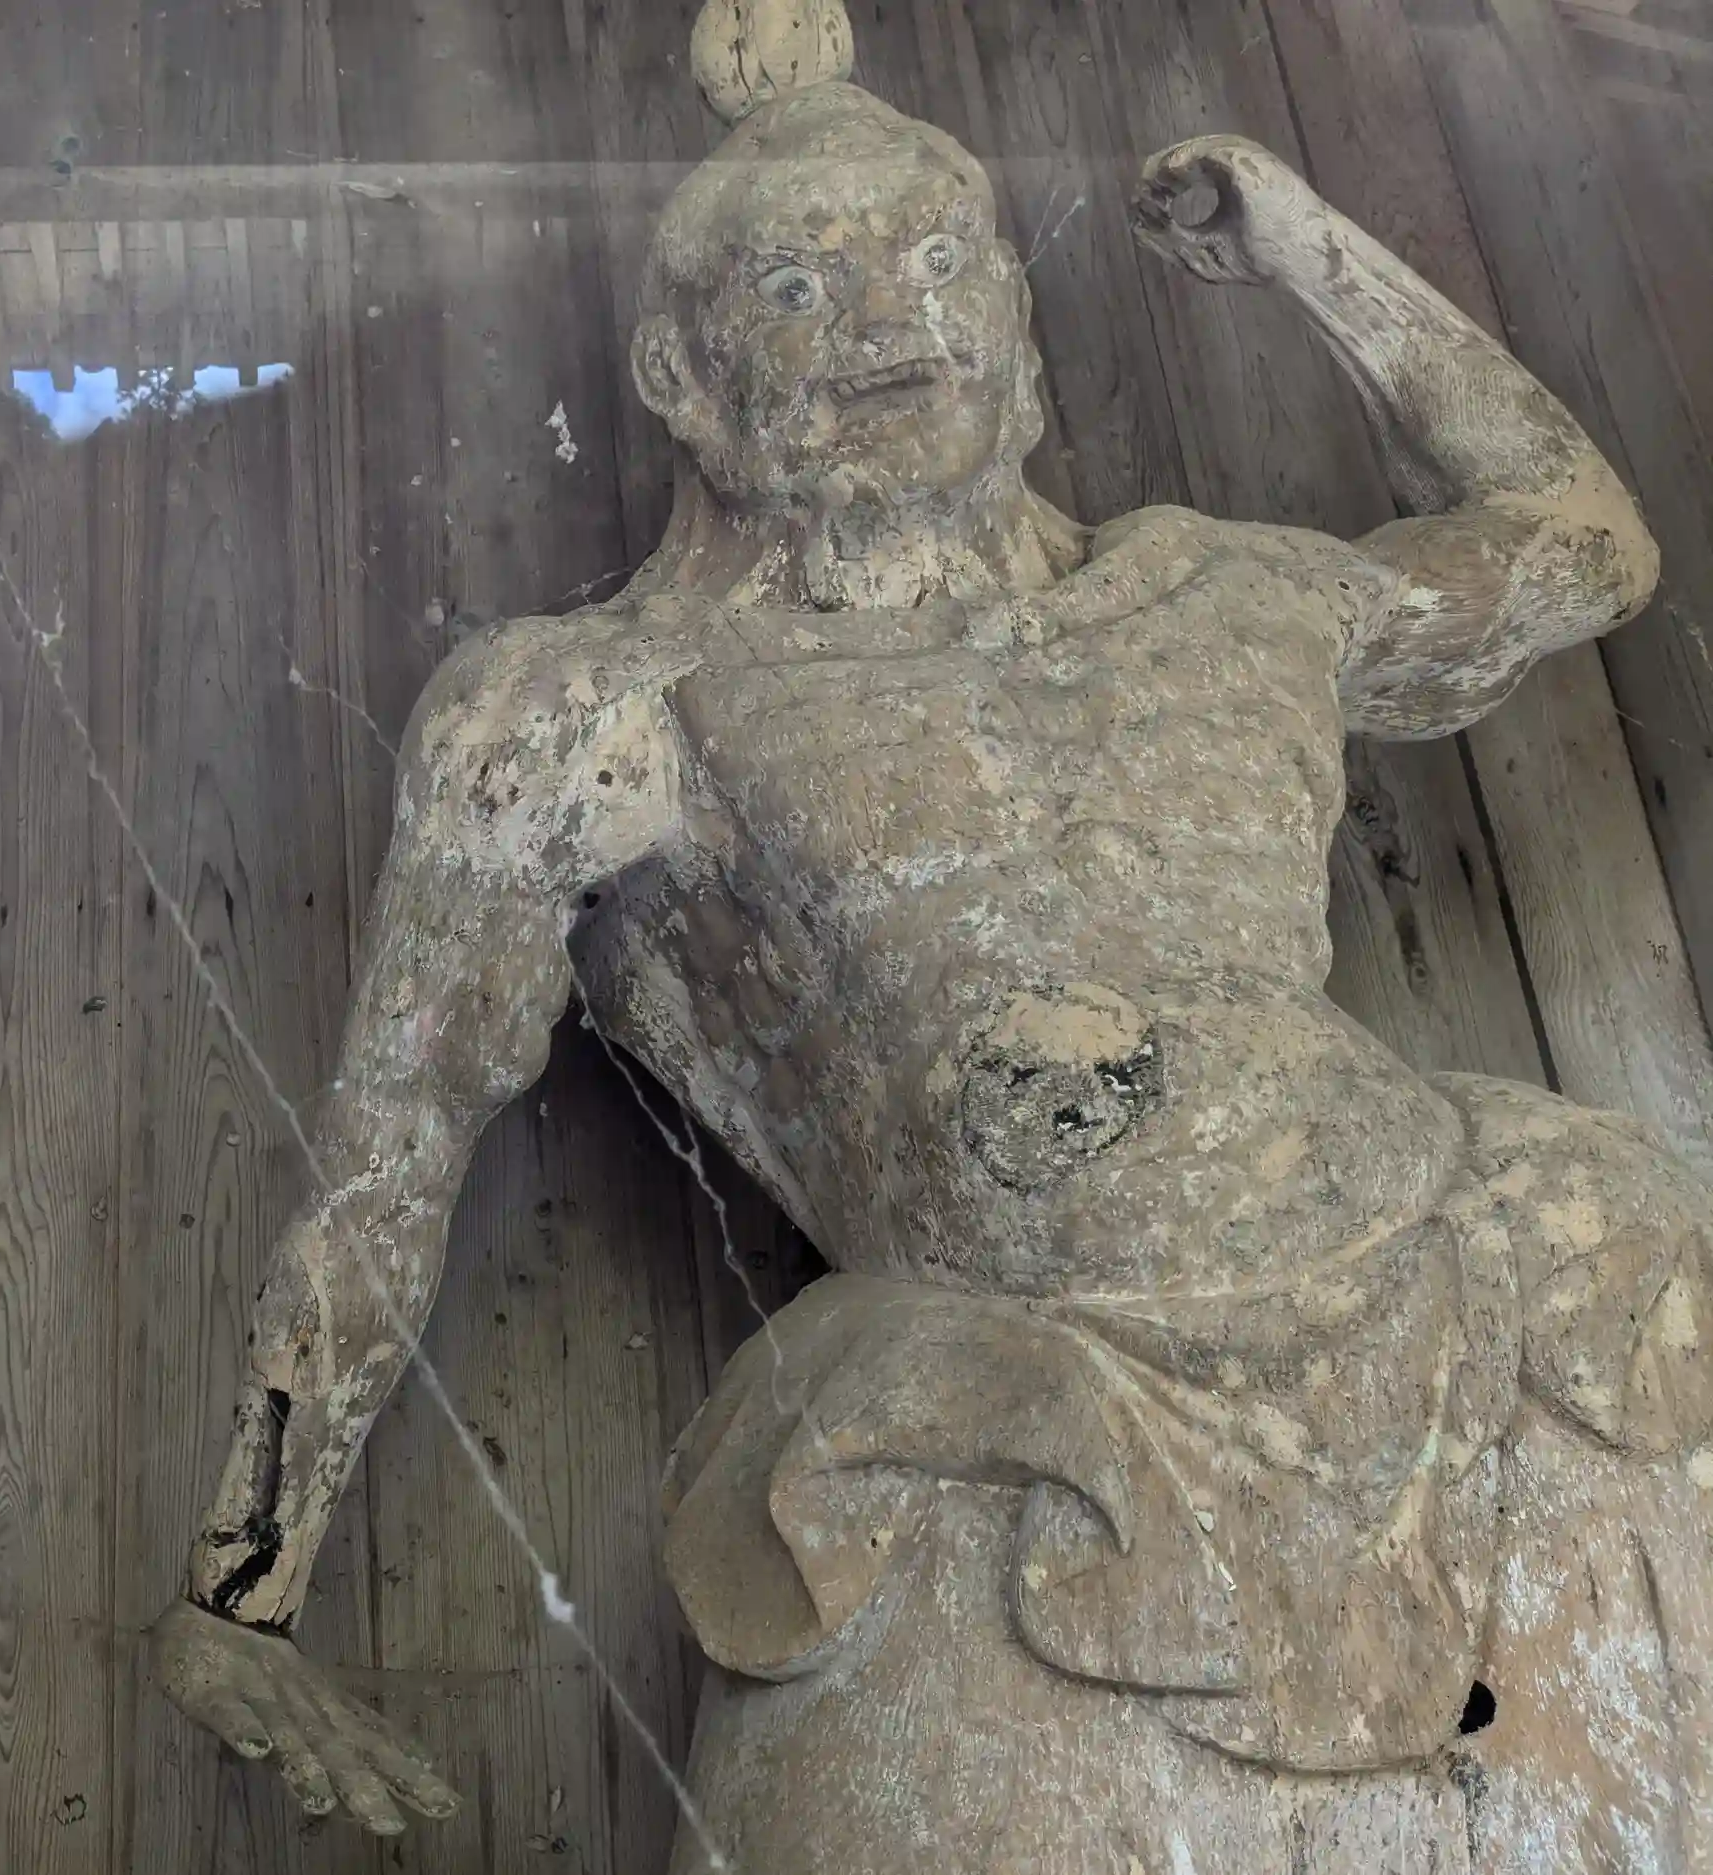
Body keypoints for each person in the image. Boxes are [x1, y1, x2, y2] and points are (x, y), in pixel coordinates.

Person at [154, 4, 1707, 1865]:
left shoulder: (1223, 594)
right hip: (1018, 1406)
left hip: (1492, 1277)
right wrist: (238, 1592)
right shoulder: (600, 710)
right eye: (800, 287)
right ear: (681, 374)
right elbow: (393, 1142)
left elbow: (1583, 542)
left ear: (1021, 333)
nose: (890, 320)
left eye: (942, 263)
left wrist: (1307, 250)